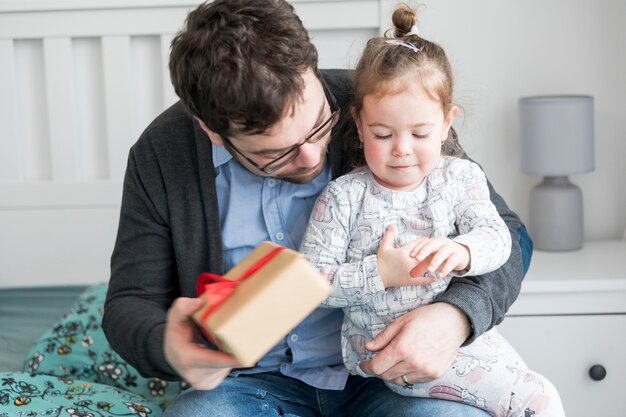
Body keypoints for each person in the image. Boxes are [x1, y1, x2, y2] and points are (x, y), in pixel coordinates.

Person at [102, 0, 533, 415]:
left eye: (320, 126)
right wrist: (167, 344)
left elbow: (509, 236)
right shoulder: (163, 152)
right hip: (248, 386)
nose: (311, 158)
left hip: (391, 379)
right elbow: (130, 303)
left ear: (310, 67)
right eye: (275, 154)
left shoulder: (382, 105)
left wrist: (455, 316)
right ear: (213, 132)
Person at [299, 4, 564, 416]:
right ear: (359, 122)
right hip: (392, 352)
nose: (402, 149)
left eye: (420, 133)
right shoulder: (343, 197)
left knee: (534, 395)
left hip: (463, 338)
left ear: (446, 123)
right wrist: (381, 273)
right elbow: (309, 284)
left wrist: (465, 251)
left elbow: (499, 238)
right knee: (536, 400)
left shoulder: (460, 179)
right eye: (382, 133)